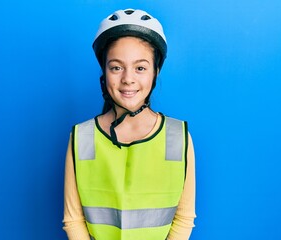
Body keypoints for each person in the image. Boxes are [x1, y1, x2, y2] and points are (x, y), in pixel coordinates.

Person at [63, 8, 196, 240]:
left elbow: (184, 219)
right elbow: (73, 220)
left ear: (155, 72)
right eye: (116, 67)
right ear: (104, 72)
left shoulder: (178, 137)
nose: (128, 78)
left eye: (140, 68)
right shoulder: (82, 136)